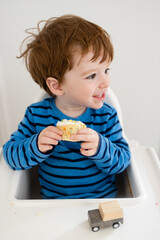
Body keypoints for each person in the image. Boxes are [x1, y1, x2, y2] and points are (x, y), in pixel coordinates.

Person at [3, 15, 131, 199]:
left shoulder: (106, 117)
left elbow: (123, 163)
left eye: (106, 70)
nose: (106, 82)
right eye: (92, 76)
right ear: (57, 86)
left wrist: (100, 147)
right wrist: (36, 145)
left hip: (101, 202)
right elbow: (10, 155)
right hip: (53, 205)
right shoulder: (37, 115)